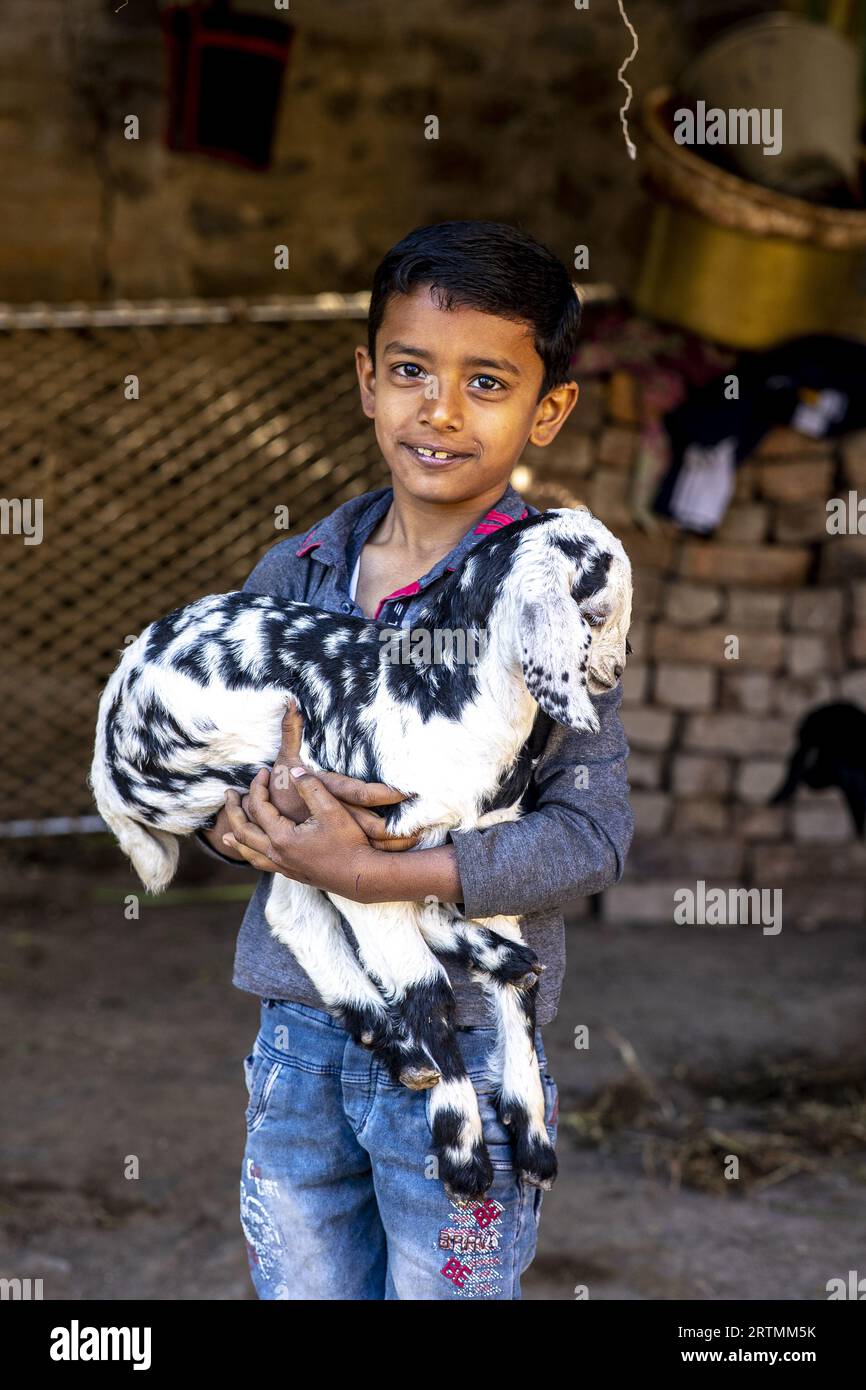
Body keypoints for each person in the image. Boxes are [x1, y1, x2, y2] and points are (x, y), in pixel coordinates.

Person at [197, 220, 634, 1299]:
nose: (437, 410)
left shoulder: (553, 596)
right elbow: (213, 776)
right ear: (365, 380)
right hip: (301, 1034)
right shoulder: (295, 573)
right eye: (408, 371)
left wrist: (378, 873)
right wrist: (237, 815)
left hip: (467, 1052)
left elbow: (588, 833)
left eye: (484, 381)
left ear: (547, 409)